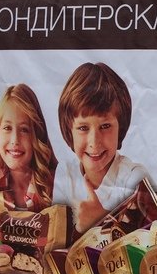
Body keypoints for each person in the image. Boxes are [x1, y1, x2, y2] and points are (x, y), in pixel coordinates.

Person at [54, 62, 147, 232]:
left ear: (121, 127)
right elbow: (57, 236)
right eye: (83, 128)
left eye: (105, 126)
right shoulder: (65, 172)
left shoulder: (134, 178)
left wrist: (101, 219)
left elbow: (146, 241)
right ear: (69, 131)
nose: (94, 142)